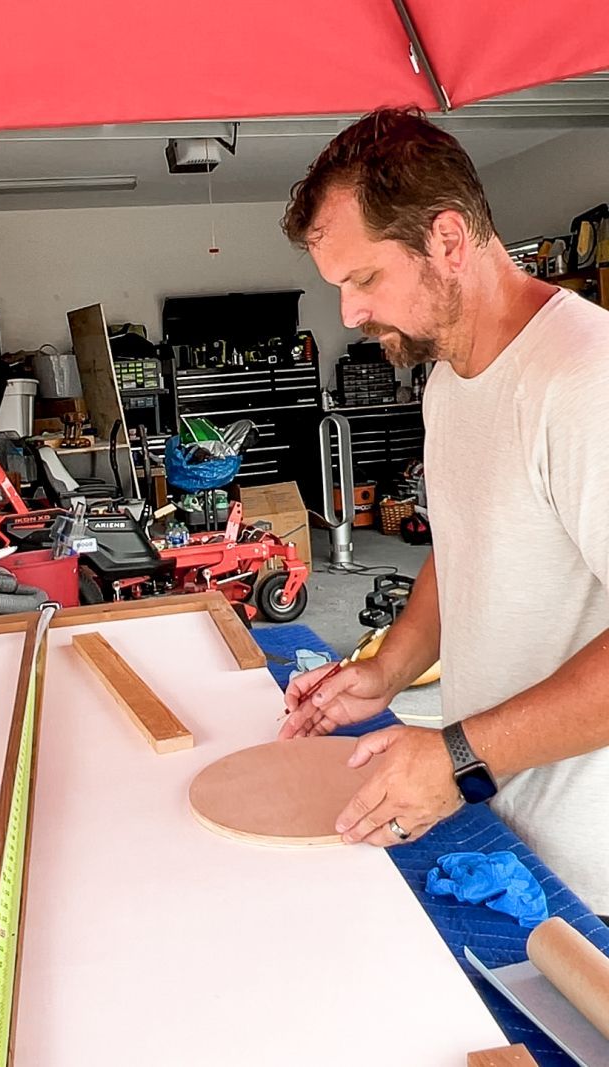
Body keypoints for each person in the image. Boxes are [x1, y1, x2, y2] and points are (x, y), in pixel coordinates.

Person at [279, 107, 609, 918]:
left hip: (593, 880)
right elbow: (465, 552)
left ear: (449, 240)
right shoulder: (447, 380)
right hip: (504, 837)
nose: (349, 315)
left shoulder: (583, 382)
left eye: (364, 280)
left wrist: (459, 756)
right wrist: (386, 669)